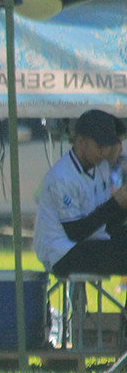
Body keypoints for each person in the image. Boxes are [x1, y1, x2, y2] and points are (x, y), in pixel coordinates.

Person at [34, 109, 127, 276]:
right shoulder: (62, 178)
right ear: (81, 142)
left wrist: (122, 207)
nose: (104, 152)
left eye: (107, 147)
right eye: (99, 146)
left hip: (89, 241)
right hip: (62, 252)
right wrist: (116, 203)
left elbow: (104, 223)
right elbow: (75, 232)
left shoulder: (100, 167)